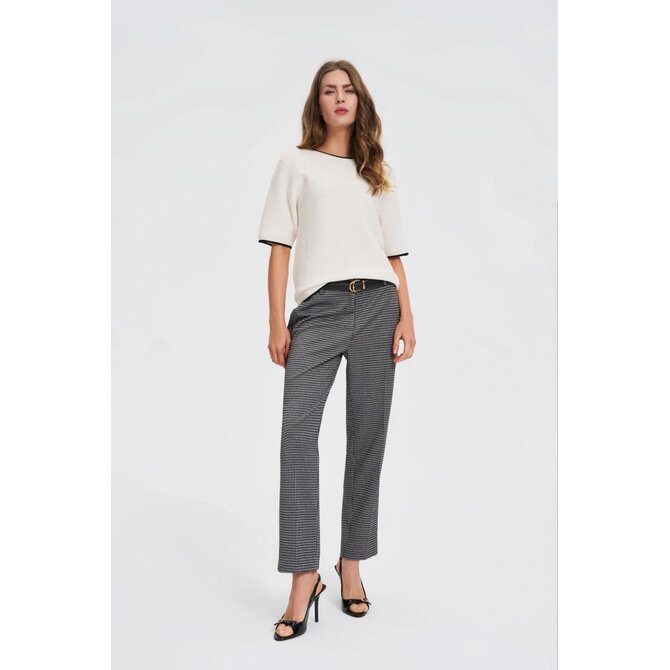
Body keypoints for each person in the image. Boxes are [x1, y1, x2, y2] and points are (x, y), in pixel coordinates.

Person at [258, 60, 416, 641]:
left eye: (348, 90)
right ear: (317, 103)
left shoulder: (376, 171)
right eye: (329, 91)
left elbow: (393, 252)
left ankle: (351, 564)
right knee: (298, 436)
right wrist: (277, 321)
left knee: (367, 436)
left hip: (378, 305)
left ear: (359, 100)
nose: (340, 98)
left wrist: (408, 314)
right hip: (319, 309)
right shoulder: (295, 163)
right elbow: (279, 248)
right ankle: (305, 576)